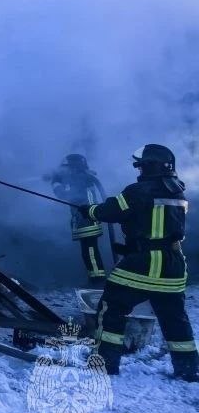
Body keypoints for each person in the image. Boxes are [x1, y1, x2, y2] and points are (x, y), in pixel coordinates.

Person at [82, 144, 197, 380]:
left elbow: (109, 212)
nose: (139, 170)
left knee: (111, 308)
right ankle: (188, 369)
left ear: (148, 166)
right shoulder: (178, 192)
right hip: (173, 266)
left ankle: (104, 363)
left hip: (142, 263)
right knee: (175, 318)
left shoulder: (138, 191)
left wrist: (89, 210)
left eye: (141, 165)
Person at [51, 154, 107, 281]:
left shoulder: (79, 179)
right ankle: (95, 278)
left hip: (86, 220)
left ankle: (98, 280)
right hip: (88, 218)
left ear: (73, 167)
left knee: (90, 251)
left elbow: (63, 195)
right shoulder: (86, 177)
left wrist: (55, 182)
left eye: (66, 168)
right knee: (88, 250)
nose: (65, 170)